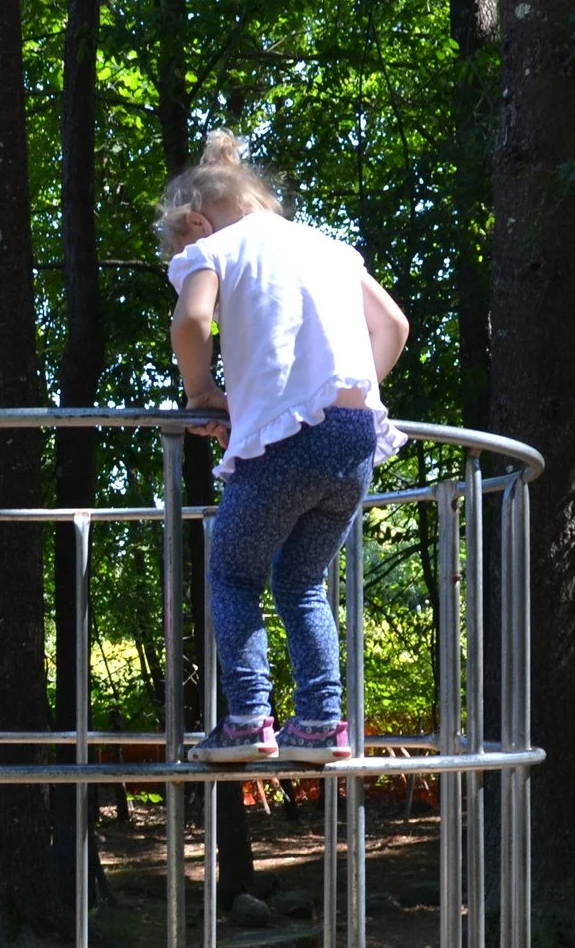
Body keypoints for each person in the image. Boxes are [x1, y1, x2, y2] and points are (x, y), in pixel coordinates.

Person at [157, 133, 411, 765]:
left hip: (287, 447)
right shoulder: (330, 248)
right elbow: (394, 327)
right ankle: (322, 723)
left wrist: (201, 393)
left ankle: (247, 718)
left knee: (231, 572)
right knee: (301, 581)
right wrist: (351, 392)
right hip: (354, 440)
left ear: (195, 222)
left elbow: (190, 323)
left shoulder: (213, 247)